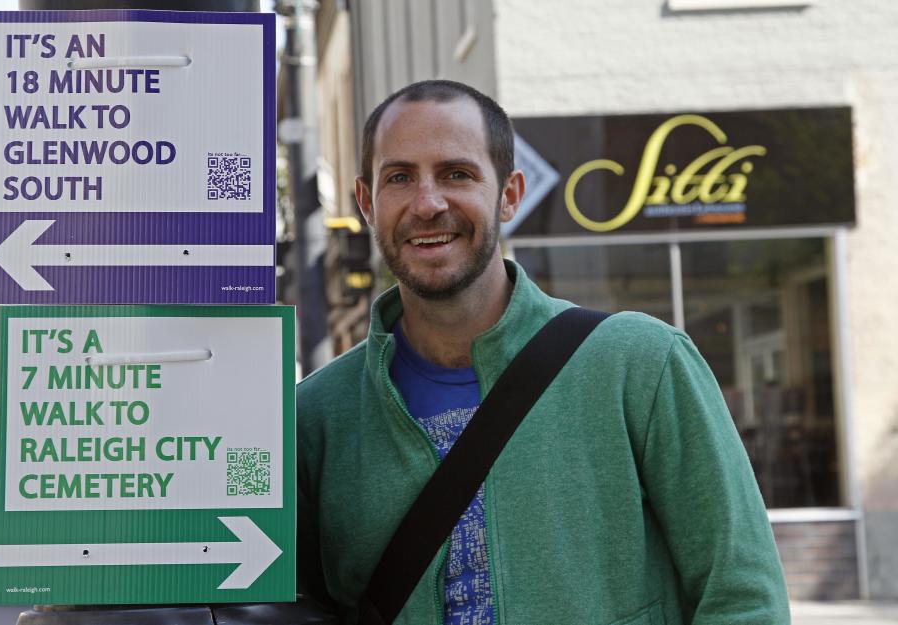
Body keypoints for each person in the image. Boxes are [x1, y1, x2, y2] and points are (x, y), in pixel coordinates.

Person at [296, 79, 790, 625]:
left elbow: (743, 597)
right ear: (367, 202)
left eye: (457, 174)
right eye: (399, 178)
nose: (427, 203)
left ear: (509, 194)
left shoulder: (641, 365)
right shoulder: (314, 418)